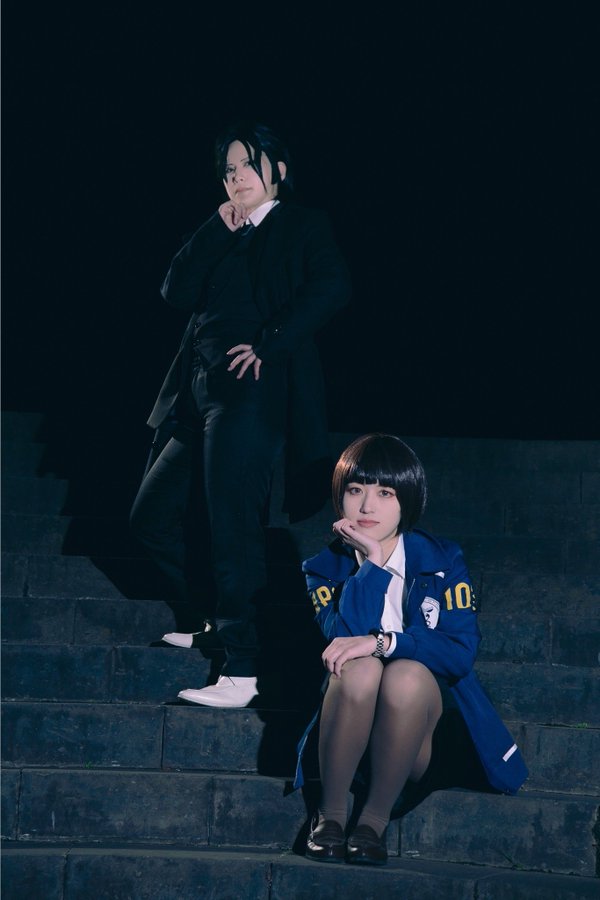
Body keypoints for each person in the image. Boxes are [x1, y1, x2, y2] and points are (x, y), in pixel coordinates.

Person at [130, 122, 351, 709]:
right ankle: (209, 619)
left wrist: (270, 343)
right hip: (194, 391)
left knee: (233, 522)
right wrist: (213, 229)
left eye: (248, 165)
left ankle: (243, 669)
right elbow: (175, 292)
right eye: (228, 170)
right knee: (149, 515)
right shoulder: (219, 230)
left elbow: (333, 286)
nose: (236, 178)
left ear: (278, 171)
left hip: (248, 391)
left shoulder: (302, 224)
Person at [296, 433, 528, 866]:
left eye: (385, 493)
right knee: (360, 668)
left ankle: (373, 821)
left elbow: (459, 653)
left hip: (418, 735)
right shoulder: (323, 569)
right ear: (340, 498)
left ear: (408, 500)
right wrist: (372, 563)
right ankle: (330, 815)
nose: (367, 506)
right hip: (347, 730)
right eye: (355, 490)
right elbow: (342, 638)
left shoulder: (443, 559)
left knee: (405, 674)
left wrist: (387, 642)